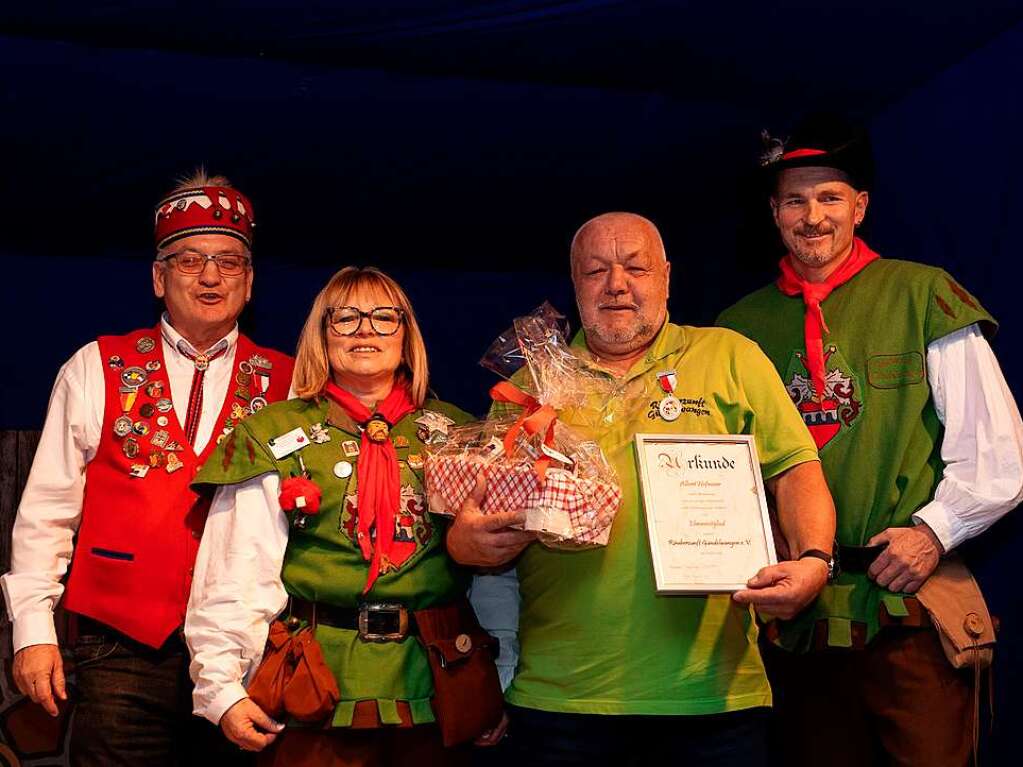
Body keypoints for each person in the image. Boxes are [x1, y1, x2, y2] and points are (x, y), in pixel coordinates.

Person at [449, 212, 837, 766]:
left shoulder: (730, 356)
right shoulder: (529, 385)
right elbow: (482, 512)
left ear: (667, 277)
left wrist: (816, 558)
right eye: (595, 270)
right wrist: (467, 545)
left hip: (713, 700)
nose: (617, 284)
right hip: (561, 702)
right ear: (574, 282)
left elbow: (797, 471)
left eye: (636, 267)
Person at [716, 114, 1023, 766]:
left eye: (829, 197)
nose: (812, 216)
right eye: (794, 200)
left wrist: (933, 531)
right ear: (773, 212)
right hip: (792, 618)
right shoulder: (736, 329)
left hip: (904, 604)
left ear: (860, 206)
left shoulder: (922, 294)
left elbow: (997, 449)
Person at [1, 172, 294, 765]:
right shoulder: (96, 365)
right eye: (190, 260)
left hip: (247, 657)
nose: (210, 276)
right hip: (119, 652)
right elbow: (46, 512)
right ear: (159, 278)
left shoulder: (290, 382)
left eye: (229, 262)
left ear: (251, 281)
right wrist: (33, 632)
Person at [186, 266, 499, 766]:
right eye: (346, 318)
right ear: (321, 335)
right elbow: (236, 572)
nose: (366, 331)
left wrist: (498, 680)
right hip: (315, 684)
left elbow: (494, 576)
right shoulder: (272, 432)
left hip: (439, 682)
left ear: (407, 333)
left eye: (383, 317)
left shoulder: (460, 435)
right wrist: (220, 687)